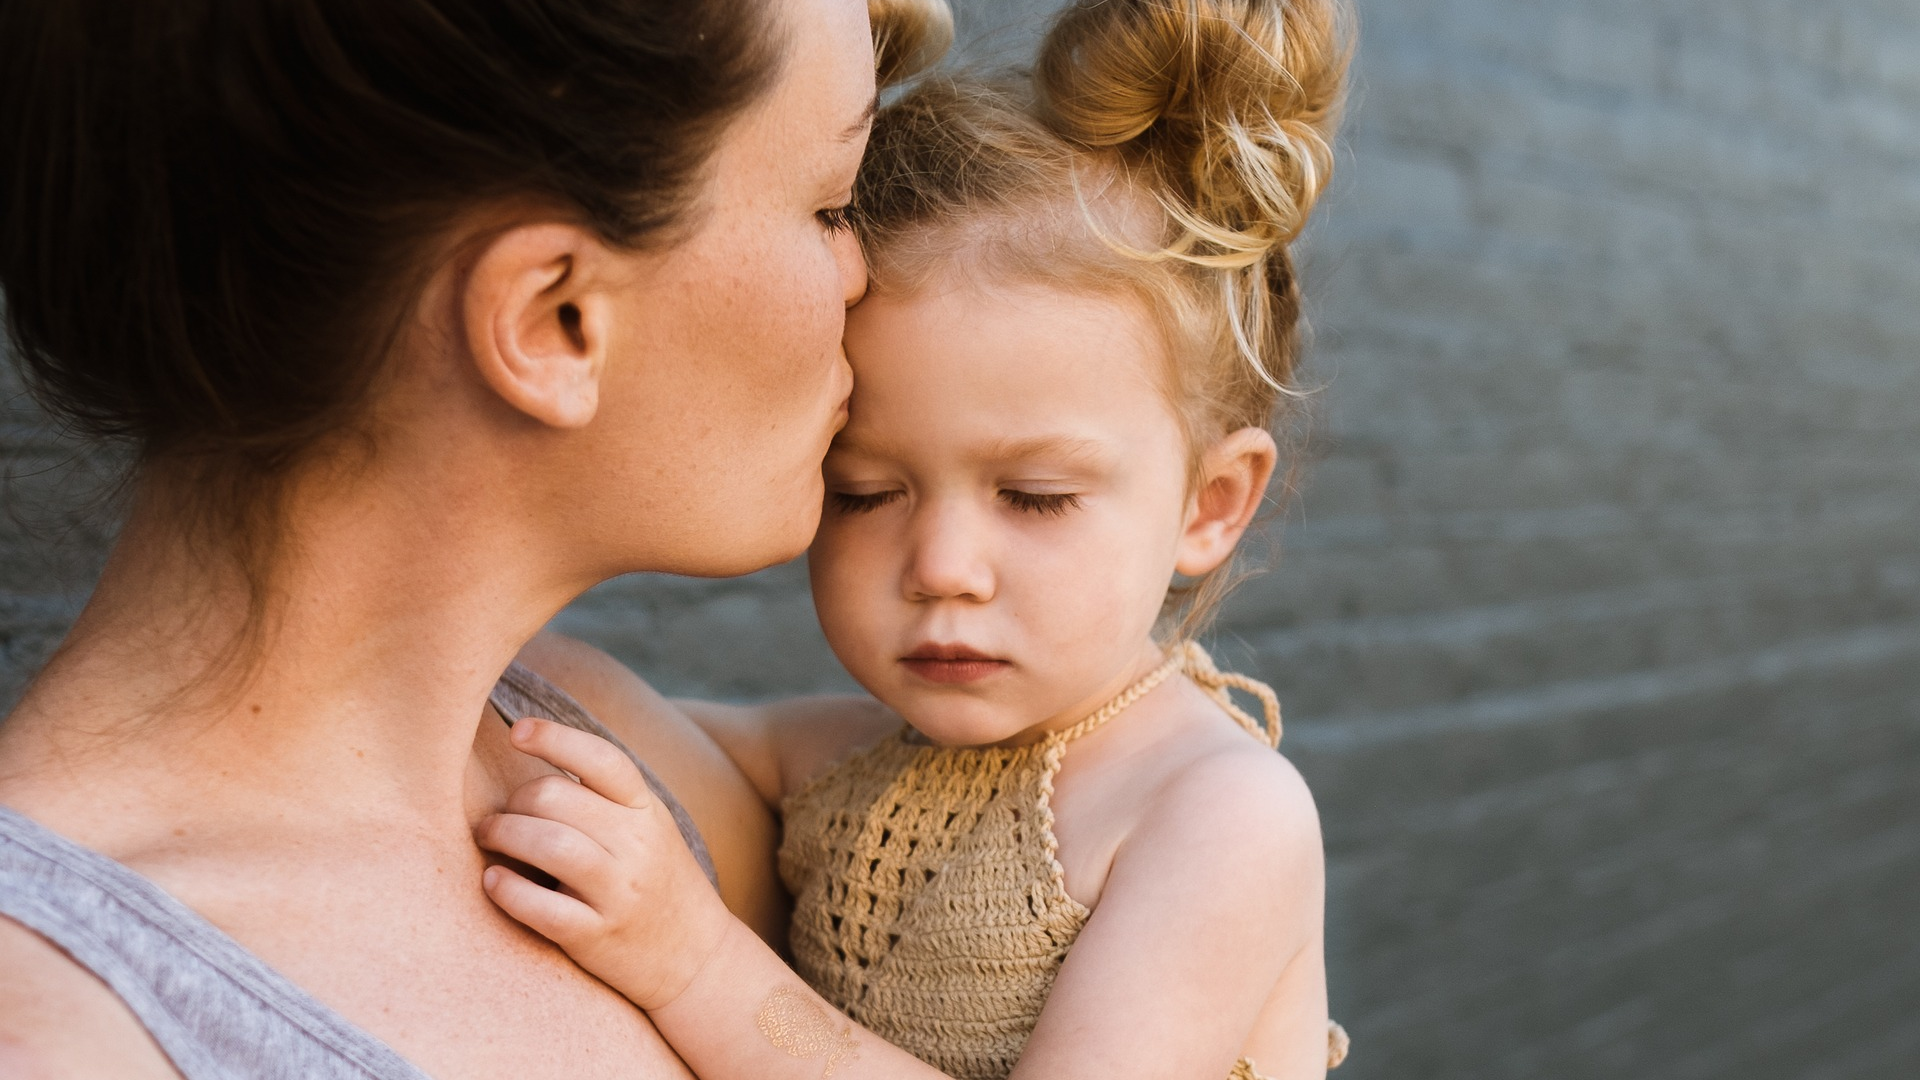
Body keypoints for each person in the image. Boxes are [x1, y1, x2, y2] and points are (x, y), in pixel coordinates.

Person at [0, 0, 949, 1076]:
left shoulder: (611, 755)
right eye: (831, 205)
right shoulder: (58, 1032)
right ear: (556, 320)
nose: (863, 274)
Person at [472, 1, 1355, 1077]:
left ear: (1211, 503)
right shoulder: (844, 762)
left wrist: (695, 962)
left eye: (1032, 497)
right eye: (865, 492)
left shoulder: (1214, 814)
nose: (941, 566)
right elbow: (606, 724)